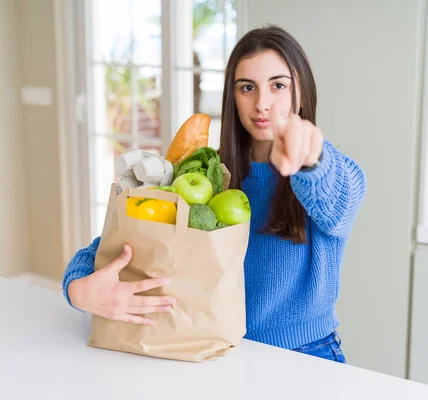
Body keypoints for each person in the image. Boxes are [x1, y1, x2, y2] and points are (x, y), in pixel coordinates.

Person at [62, 25, 367, 364]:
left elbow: (338, 196)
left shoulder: (328, 170)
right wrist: (80, 290)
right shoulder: (206, 172)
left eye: (278, 85)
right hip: (211, 352)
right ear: (231, 97)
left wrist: (310, 157)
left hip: (306, 357)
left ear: (302, 92)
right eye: (247, 87)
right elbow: (116, 244)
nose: (262, 103)